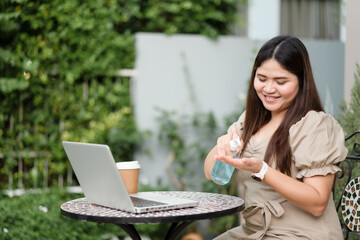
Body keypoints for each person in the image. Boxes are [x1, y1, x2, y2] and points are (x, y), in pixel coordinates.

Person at [204, 35, 348, 240]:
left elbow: (317, 203)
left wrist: (262, 170)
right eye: (262, 79)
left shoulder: (315, 125)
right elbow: (210, 173)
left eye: (281, 82)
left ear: (301, 81)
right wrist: (221, 147)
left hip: (302, 235)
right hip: (255, 232)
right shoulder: (251, 120)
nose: (269, 89)